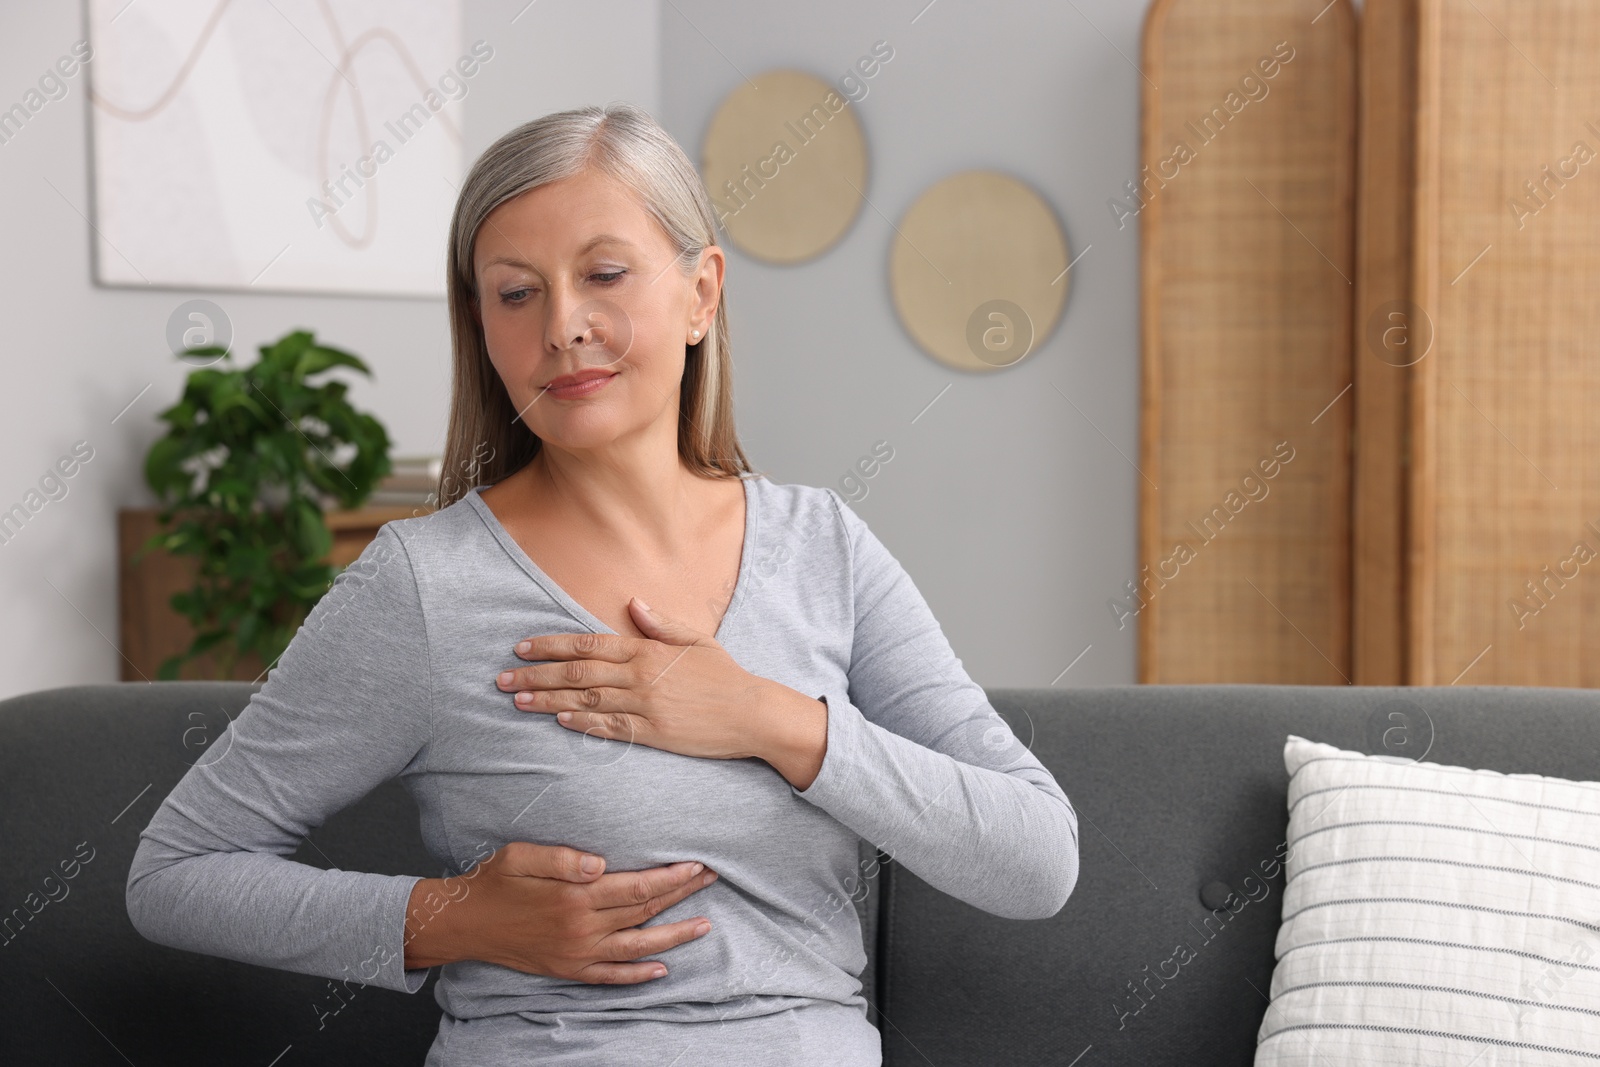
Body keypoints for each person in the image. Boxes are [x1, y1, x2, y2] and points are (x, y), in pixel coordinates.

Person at [125, 102, 1079, 1066]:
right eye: (515, 293)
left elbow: (1036, 857)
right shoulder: (425, 585)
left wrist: (767, 718)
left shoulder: (823, 546)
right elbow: (174, 873)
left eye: (605, 274)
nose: (563, 326)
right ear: (483, 330)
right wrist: (453, 915)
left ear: (701, 293)